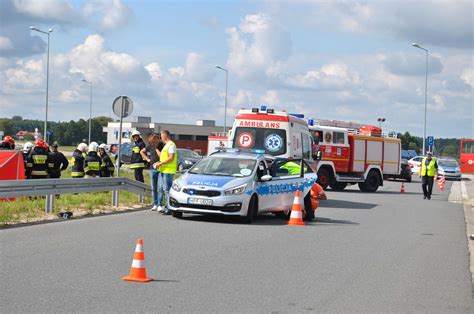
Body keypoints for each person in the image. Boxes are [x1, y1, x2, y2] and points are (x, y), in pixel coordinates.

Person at [154, 130, 177, 214]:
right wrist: (158, 163)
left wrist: (160, 163)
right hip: (163, 170)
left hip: (168, 171)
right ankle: (167, 206)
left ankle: (169, 208)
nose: (161, 138)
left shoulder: (171, 145)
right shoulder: (167, 145)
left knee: (167, 190)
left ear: (165, 136)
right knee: (164, 189)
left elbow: (171, 158)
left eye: (161, 136)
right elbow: (164, 157)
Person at [141, 134, 163, 210]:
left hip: (161, 168)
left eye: (154, 142)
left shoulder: (162, 146)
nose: (153, 144)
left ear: (158, 139)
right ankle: (155, 204)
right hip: (152, 169)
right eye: (152, 142)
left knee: (160, 187)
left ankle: (160, 204)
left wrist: (157, 149)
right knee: (154, 187)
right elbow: (142, 152)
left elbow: (162, 156)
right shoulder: (150, 146)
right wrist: (147, 159)